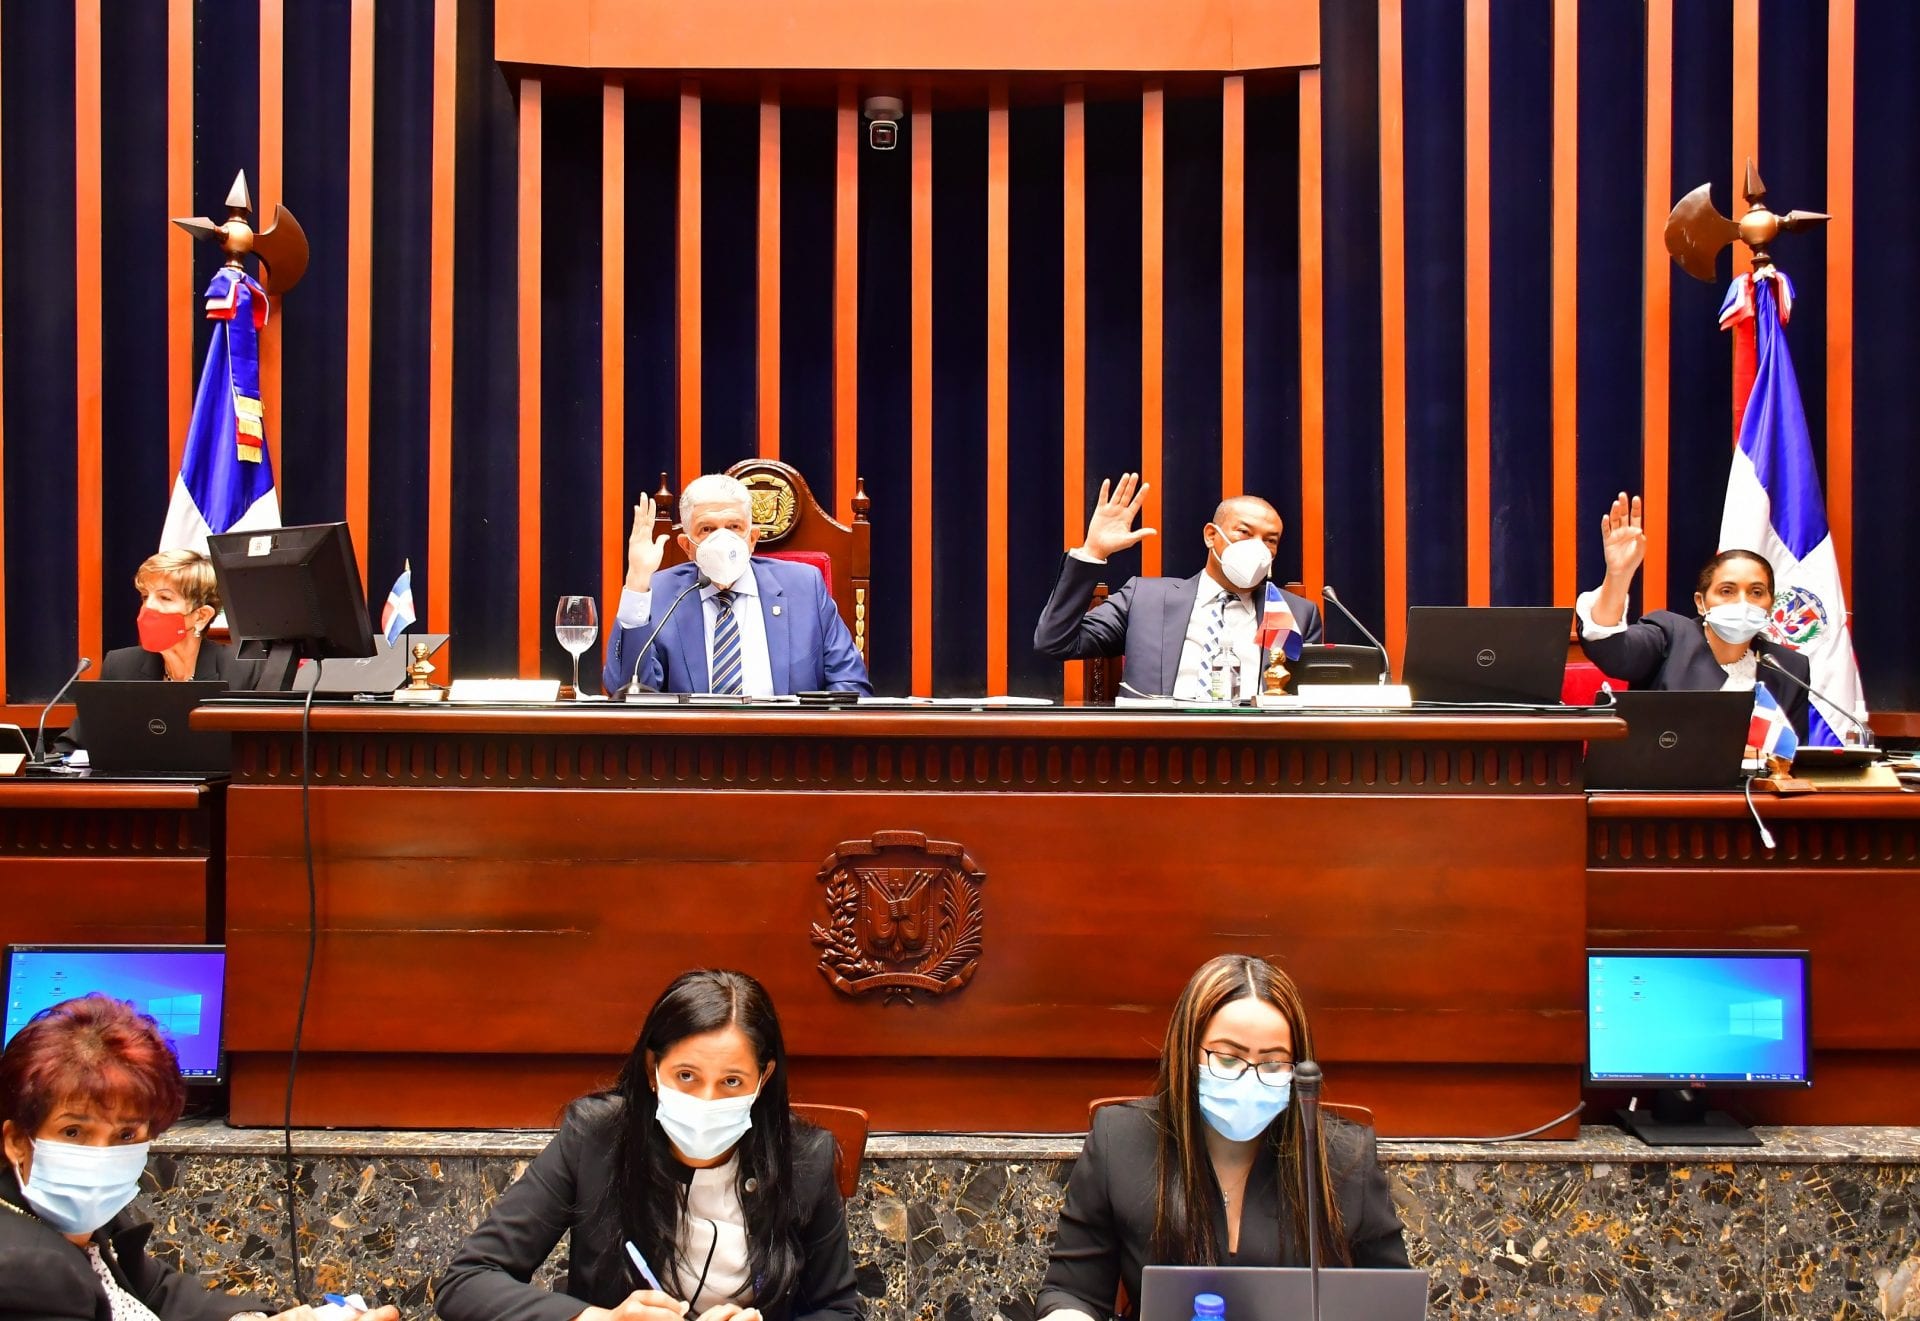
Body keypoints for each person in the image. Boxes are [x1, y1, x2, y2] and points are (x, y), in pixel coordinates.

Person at [436, 969, 860, 1321]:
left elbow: (841, 1310)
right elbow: (467, 1281)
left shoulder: (805, 1158)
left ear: (762, 1079)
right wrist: (598, 1320)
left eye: (732, 1081)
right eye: (686, 1076)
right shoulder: (596, 1138)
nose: (706, 1100)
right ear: (653, 1069)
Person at [1036, 955, 1409, 1321]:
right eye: (1228, 1058)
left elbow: (1394, 1302)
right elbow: (1071, 1291)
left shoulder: (1345, 1158)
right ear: (1188, 1052)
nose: (1251, 1076)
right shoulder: (1120, 1141)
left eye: (1273, 1062)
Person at [0, 993, 398, 1321]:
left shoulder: (84, 1223)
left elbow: (160, 1292)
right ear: (17, 1140)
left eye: (126, 1134)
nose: (100, 1156)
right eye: (73, 1132)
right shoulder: (26, 1272)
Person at [1033, 474, 1324, 699]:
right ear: (1211, 535)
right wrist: (1093, 552)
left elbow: (1309, 700)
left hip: (1255, 752)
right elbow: (1054, 642)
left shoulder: (1297, 613)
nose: (1258, 547)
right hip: (1156, 749)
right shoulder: (1144, 599)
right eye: (1245, 533)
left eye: (1270, 540)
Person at [601, 477, 872, 697]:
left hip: (788, 744)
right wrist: (636, 582)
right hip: (691, 746)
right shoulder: (659, 592)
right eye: (707, 529)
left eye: (734, 526)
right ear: (686, 546)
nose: (723, 539)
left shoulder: (804, 587)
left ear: (752, 539)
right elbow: (626, 691)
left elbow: (851, 686)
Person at [1576, 492, 1811, 741]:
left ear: (1770, 604)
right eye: (1727, 591)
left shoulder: (1788, 667)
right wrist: (1618, 576)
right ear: (1701, 602)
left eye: (1756, 592)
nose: (1743, 602)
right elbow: (1611, 650)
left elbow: (1793, 755)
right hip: (1660, 766)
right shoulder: (1670, 636)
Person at [56, 549, 264, 755]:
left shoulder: (244, 671)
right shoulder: (121, 666)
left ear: (201, 616)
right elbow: (70, 746)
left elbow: (256, 756)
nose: (148, 608)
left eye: (165, 598)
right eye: (145, 596)